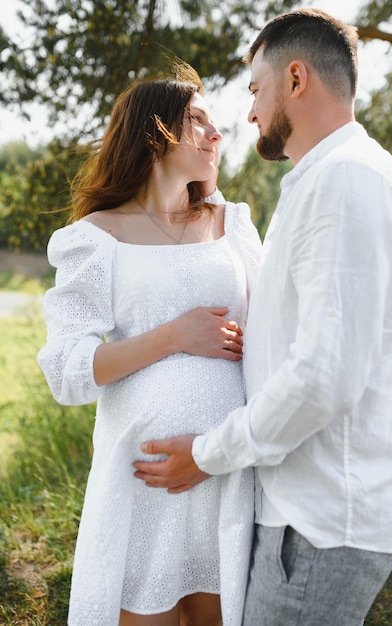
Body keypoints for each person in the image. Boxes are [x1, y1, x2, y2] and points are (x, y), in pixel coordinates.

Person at [132, 9, 392, 625]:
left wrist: (206, 453)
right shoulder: (321, 183)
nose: (251, 112)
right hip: (302, 517)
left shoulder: (346, 183)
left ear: (295, 79)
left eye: (256, 88)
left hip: (320, 524)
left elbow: (324, 376)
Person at [38, 64, 262, 626]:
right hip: (144, 479)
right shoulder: (96, 238)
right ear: (154, 132)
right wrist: (174, 335)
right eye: (197, 122)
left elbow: (269, 330)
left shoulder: (232, 225)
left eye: (216, 125)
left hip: (225, 469)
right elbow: (68, 370)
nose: (216, 134)